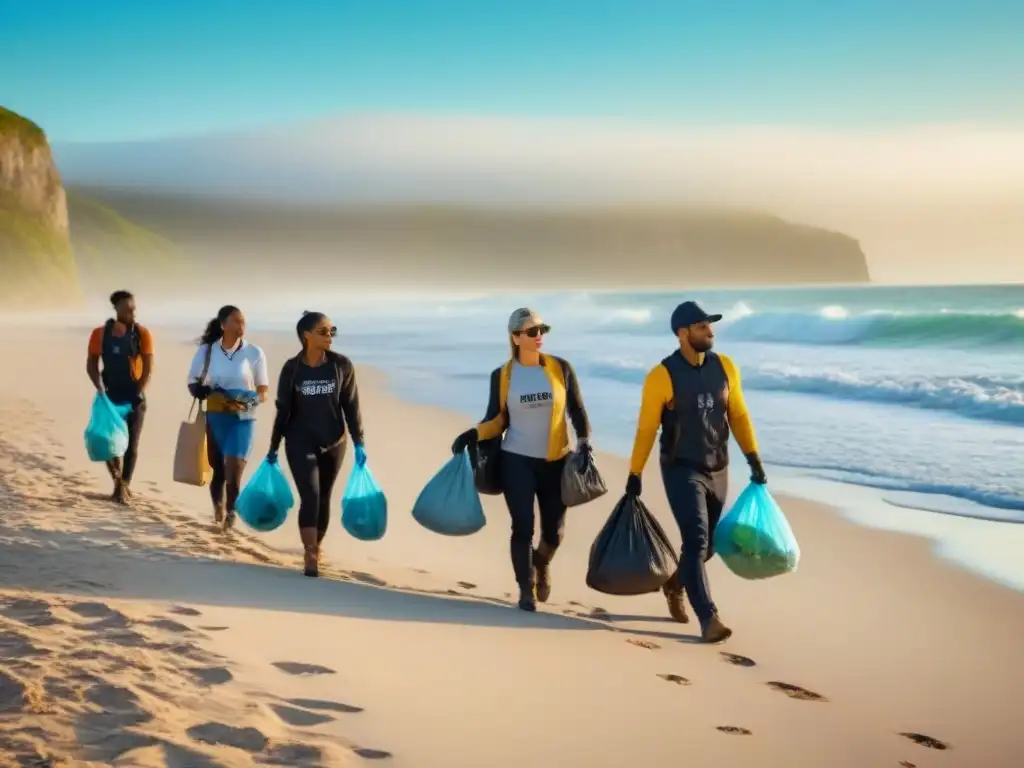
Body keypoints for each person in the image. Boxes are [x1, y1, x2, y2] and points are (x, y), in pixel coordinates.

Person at [626, 300, 767, 644]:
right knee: (697, 539)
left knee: (708, 546)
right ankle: (709, 617)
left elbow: (739, 416)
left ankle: (675, 583)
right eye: (703, 326)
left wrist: (753, 458)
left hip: (718, 465)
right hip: (680, 467)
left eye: (710, 325)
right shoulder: (662, 375)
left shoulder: (726, 367)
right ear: (682, 333)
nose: (711, 332)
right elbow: (646, 429)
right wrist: (635, 473)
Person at [451, 308, 592, 612]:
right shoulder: (502, 376)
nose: (539, 336)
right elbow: (497, 419)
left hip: (555, 462)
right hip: (516, 461)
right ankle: (525, 589)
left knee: (554, 532)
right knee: (522, 527)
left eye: (543, 329)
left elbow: (577, 411)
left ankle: (540, 564)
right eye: (531, 332)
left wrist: (583, 441)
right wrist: (473, 434)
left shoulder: (560, 368)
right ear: (515, 337)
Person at [267, 311, 366, 578]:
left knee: (324, 497)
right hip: (300, 440)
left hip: (334, 442)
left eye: (332, 330)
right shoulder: (292, 369)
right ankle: (310, 552)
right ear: (306, 336)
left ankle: (317, 546)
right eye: (323, 331)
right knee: (310, 495)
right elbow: (282, 409)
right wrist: (273, 447)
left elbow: (351, 406)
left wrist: (360, 443)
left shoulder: (341, 365)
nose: (329, 336)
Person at [186, 305, 270, 530]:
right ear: (223, 325)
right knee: (219, 470)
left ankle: (231, 515)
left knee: (235, 467)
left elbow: (263, 390)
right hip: (216, 415)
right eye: (236, 321)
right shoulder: (207, 351)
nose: (241, 325)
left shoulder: (254, 352)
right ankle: (218, 509)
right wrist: (203, 391)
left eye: (243, 321)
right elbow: (192, 380)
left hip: (244, 417)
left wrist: (250, 401)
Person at [86, 290, 154, 504]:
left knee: (131, 446)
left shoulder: (142, 334)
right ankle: (118, 481)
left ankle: (123, 485)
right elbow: (91, 364)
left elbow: (148, 369)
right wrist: (99, 387)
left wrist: (139, 392)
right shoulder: (100, 333)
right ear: (116, 309)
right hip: (110, 395)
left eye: (133, 309)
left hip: (134, 396)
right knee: (107, 441)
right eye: (127, 309)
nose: (131, 313)